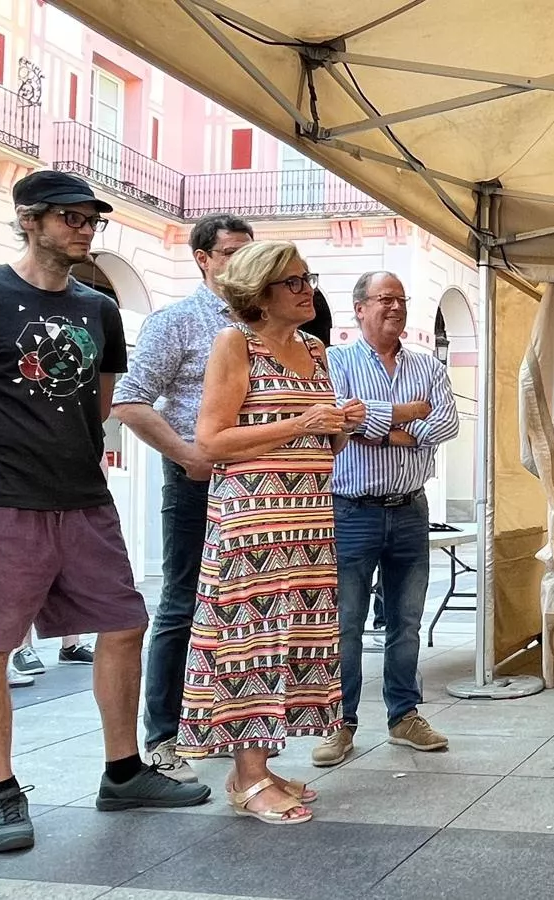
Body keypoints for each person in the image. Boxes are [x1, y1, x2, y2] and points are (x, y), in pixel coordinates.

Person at [0, 170, 211, 853]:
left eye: (92, 219)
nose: (85, 229)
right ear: (30, 219)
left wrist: (78, 460)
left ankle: (122, 772)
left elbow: (100, 399)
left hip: (82, 497)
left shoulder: (98, 308)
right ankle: (1, 793)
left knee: (124, 623)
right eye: (71, 218)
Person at [180, 240, 360, 825]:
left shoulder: (314, 347)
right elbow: (211, 440)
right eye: (294, 282)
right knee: (250, 644)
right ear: (260, 293)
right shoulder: (236, 343)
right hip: (253, 523)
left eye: (308, 278)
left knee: (289, 642)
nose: (308, 289)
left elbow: (314, 439)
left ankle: (251, 769)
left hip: (308, 520)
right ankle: (251, 778)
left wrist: (338, 425)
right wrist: (303, 421)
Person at [112, 213, 253, 783]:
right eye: (229, 253)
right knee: (181, 604)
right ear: (203, 259)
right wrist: (189, 454)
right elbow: (130, 399)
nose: (241, 262)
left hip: (259, 489)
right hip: (199, 482)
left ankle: (221, 724)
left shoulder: (261, 323)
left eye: (248, 251)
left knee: (242, 606)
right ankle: (165, 735)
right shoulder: (178, 321)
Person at [313, 271, 460, 767]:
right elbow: (341, 418)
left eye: (401, 299)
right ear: (359, 308)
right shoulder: (335, 362)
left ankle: (404, 716)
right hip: (352, 509)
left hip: (411, 509)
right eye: (384, 299)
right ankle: (341, 723)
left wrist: (380, 426)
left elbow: (446, 423)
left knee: (407, 621)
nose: (395, 307)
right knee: (346, 623)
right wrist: (405, 414)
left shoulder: (429, 367)